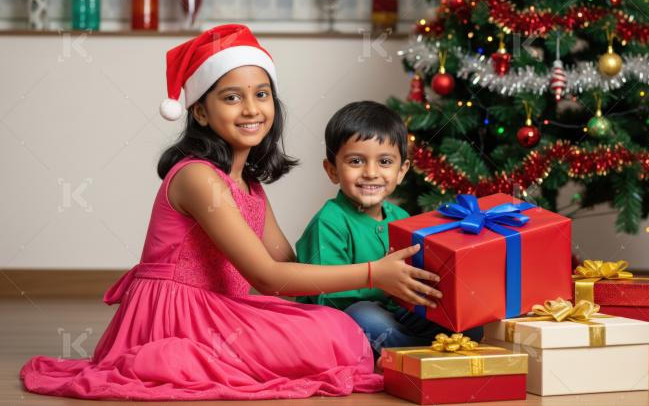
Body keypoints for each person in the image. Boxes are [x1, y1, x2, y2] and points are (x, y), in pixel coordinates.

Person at [19, 24, 440, 401]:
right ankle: (168, 356)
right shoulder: (199, 179)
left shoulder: (251, 186)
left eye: (261, 95)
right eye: (231, 98)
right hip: (178, 314)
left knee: (334, 326)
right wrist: (372, 273)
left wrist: (349, 278)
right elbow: (267, 277)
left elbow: (289, 266)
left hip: (225, 310)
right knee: (338, 335)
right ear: (201, 111)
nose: (251, 109)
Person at [296, 101, 483, 362]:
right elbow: (326, 294)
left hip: (396, 312)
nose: (371, 173)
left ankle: (419, 352)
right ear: (332, 170)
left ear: (401, 171)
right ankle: (416, 357)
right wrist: (383, 285)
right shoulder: (329, 222)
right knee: (365, 315)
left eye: (384, 162)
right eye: (356, 161)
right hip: (345, 318)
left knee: (469, 323)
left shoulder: (401, 218)